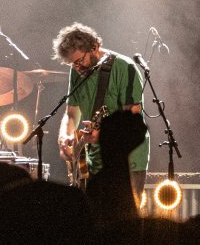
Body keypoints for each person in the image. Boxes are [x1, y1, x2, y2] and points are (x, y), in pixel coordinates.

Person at [54, 23, 149, 195]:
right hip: (93, 159)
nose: (76, 67)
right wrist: (64, 136)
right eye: (71, 64)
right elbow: (72, 113)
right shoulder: (77, 71)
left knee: (124, 210)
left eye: (79, 61)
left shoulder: (125, 67)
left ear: (94, 47)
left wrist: (103, 134)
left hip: (127, 159)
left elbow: (132, 120)